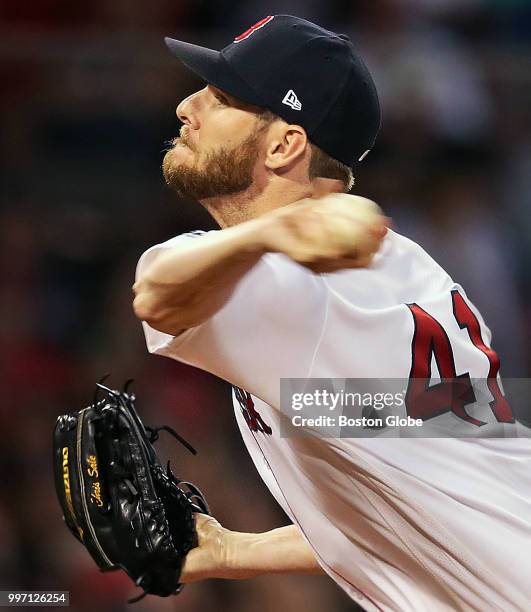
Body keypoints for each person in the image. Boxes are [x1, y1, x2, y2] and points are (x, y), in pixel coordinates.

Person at [133, 15, 531, 612]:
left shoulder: (295, 285)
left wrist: (271, 236)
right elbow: (405, 512)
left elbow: (156, 294)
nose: (187, 106)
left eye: (219, 97)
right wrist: (233, 554)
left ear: (285, 144)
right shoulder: (399, 272)